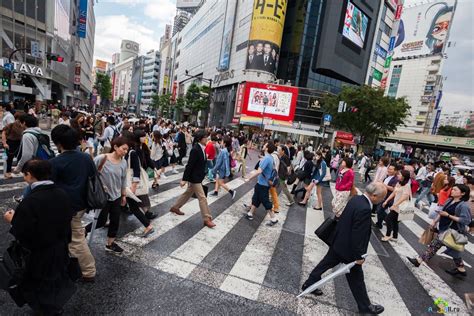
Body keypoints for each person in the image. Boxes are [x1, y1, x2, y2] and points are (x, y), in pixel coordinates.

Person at [301, 183, 387, 315]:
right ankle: (365, 308)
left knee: (325, 264)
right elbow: (358, 234)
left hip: (339, 242)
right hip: (349, 250)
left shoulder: (357, 199)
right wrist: (359, 256)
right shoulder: (364, 208)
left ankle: (309, 283)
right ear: (374, 196)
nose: (383, 200)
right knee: (357, 279)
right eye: (382, 197)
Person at [3, 159, 76, 315]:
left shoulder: (30, 201)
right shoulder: (62, 193)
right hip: (60, 246)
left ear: (29, 175)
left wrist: (12, 219)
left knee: (39, 282)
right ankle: (54, 306)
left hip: (39, 252)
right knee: (55, 277)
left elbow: (22, 231)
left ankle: (48, 309)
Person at [49, 124, 97, 282]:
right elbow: (92, 177)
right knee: (70, 234)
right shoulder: (85, 157)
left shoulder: (56, 162)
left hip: (67, 206)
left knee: (76, 240)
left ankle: (89, 271)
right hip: (83, 203)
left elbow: (50, 185)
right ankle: (65, 262)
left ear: (58, 143)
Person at [407, 184, 472, 277]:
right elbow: (442, 212)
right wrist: (434, 222)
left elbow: (466, 220)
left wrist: (448, 216)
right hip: (443, 228)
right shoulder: (450, 200)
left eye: (455, 190)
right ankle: (461, 269)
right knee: (454, 252)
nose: (452, 191)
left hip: (453, 231)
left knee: (434, 245)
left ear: (462, 193)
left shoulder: (463, 206)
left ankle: (419, 260)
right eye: (452, 189)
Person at [85, 136, 129, 253]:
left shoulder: (124, 162)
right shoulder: (102, 158)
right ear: (115, 147)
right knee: (101, 221)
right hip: (103, 196)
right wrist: (100, 185)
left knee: (115, 220)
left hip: (116, 196)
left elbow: (123, 179)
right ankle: (84, 231)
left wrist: (123, 195)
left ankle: (110, 244)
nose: (125, 151)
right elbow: (90, 173)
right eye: (123, 149)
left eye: (126, 150)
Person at [169, 131, 216, 228]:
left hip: (198, 176)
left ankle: (175, 207)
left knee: (188, 193)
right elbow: (189, 165)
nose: (207, 139)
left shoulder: (202, 148)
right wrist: (184, 179)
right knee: (202, 198)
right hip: (194, 179)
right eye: (205, 137)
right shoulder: (195, 149)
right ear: (200, 139)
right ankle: (207, 219)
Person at [124, 129, 157, 236]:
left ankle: (148, 223)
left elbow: (139, 166)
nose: (145, 138)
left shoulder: (133, 151)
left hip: (131, 181)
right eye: (143, 136)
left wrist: (134, 185)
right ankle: (147, 223)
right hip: (128, 181)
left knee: (135, 204)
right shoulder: (132, 150)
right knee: (134, 205)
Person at [244, 141, 279, 226]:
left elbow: (259, 171)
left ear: (267, 148)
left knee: (265, 201)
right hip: (262, 183)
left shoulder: (267, 158)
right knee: (256, 198)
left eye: (265, 145)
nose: (263, 145)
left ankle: (273, 218)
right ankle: (250, 213)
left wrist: (249, 178)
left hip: (263, 184)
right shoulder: (269, 157)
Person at [381, 170, 411, 242]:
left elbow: (404, 197)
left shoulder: (407, 185)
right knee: (395, 221)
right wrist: (386, 201)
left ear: (403, 177)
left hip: (400, 207)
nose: (398, 175)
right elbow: (393, 193)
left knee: (388, 219)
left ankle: (388, 235)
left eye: (399, 174)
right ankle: (395, 236)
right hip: (395, 206)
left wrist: (395, 205)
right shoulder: (398, 183)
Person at [374, 164, 400, 229]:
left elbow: (393, 189)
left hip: (390, 198)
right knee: (380, 210)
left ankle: (388, 222)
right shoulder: (387, 177)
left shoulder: (396, 179)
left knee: (380, 210)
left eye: (391, 169)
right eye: (389, 169)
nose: (389, 170)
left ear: (395, 171)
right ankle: (380, 223)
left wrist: (383, 184)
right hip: (383, 196)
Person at [2, 113, 25, 179]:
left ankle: (22, 171)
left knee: (21, 157)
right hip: (11, 142)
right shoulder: (11, 125)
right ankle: (7, 173)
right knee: (9, 158)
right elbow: (4, 132)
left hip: (20, 142)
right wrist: (4, 143)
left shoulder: (23, 125)